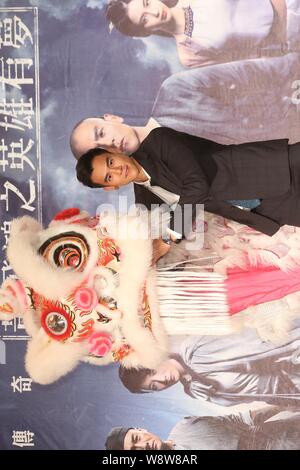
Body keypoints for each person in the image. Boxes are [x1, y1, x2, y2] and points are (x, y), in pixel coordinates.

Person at [75, 125, 300, 237]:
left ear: (113, 151)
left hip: (279, 170)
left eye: (111, 161)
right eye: (109, 175)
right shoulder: (146, 203)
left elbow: (197, 183)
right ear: (110, 187)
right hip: (265, 209)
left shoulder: (158, 142)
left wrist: (170, 237)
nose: (118, 169)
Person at [118, 324, 300, 407]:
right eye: (153, 385)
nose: (162, 379)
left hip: (289, 357)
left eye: (153, 371)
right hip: (287, 392)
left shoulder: (195, 351)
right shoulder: (195, 390)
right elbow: (254, 394)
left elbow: (260, 344)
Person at [106, 0, 298, 69]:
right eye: (145, 19)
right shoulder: (189, 56)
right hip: (291, 38)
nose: (155, 12)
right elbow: (245, 59)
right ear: (145, 31)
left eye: (147, 3)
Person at [105, 407, 300, 449]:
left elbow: (240, 419)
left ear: (141, 429)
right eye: (134, 452)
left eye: (136, 439)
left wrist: (282, 403)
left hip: (284, 431)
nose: (143, 448)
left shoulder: (184, 426)